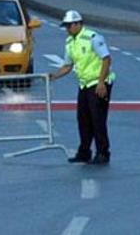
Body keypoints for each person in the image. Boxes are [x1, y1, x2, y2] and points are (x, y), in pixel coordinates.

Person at [49, 10, 115, 165]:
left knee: (98, 119)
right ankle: (84, 152)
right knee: (83, 119)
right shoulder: (70, 42)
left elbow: (106, 59)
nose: (67, 29)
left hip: (98, 83)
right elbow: (67, 65)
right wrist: (53, 76)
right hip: (84, 84)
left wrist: (101, 82)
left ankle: (103, 153)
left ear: (78, 23)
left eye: (69, 25)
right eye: (66, 26)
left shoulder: (93, 38)